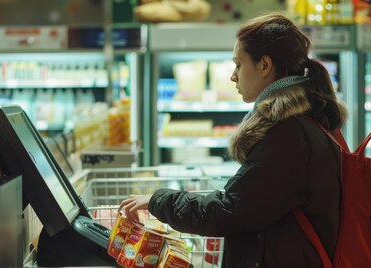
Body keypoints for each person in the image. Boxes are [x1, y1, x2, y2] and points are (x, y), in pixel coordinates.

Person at [119, 13, 348, 267]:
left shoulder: (288, 134)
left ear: (264, 65)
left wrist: (159, 201)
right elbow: (253, 202)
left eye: (238, 64)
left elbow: (230, 211)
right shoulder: (306, 120)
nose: (233, 76)